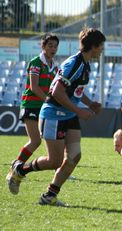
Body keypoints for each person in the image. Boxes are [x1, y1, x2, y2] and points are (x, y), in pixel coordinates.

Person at [6, 28, 106, 206]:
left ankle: (49, 196)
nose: (102, 50)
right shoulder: (74, 63)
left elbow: (74, 90)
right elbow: (56, 92)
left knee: (74, 156)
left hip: (68, 115)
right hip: (54, 115)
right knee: (55, 161)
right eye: (101, 46)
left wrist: (90, 103)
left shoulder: (85, 63)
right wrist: (78, 110)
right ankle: (20, 170)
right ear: (94, 46)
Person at [6, 34, 59, 192]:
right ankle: (15, 168)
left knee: (50, 139)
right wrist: (49, 101)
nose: (53, 49)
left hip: (44, 107)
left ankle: (59, 168)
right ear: (43, 46)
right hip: (31, 105)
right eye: (50, 45)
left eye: (55, 46)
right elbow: (34, 87)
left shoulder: (54, 67)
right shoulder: (36, 63)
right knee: (35, 141)